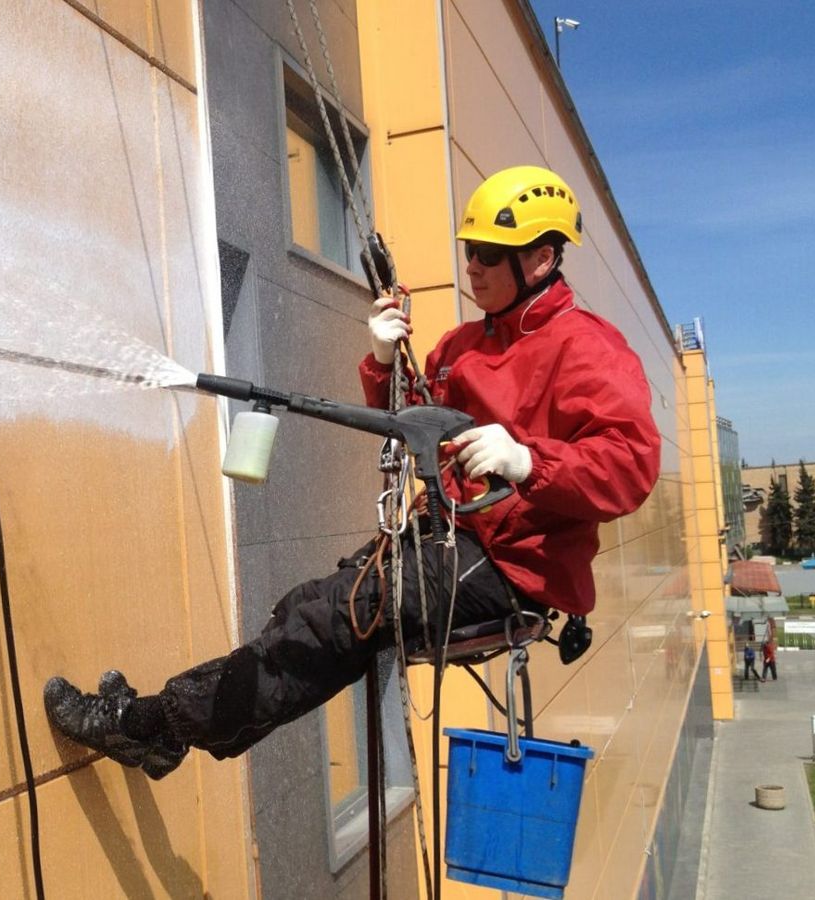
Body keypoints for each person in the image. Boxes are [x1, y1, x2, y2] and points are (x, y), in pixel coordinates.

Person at [44, 165, 662, 779]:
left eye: (487, 254)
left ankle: (146, 726)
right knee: (309, 610)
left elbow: (631, 466)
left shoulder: (588, 349)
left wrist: (528, 460)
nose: (471, 265)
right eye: (468, 250)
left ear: (541, 260)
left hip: (513, 568)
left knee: (329, 620)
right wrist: (382, 357)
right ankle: (169, 732)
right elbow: (408, 419)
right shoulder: (465, 345)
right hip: (450, 538)